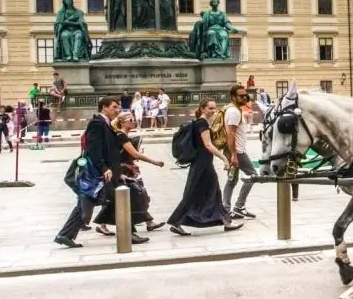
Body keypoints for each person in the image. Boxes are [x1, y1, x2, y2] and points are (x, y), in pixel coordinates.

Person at [167, 99, 243, 235]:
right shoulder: (202, 123)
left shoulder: (198, 122)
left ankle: (226, 221)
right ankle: (176, 221)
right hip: (203, 164)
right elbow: (208, 145)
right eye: (210, 108)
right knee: (199, 193)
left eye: (214, 108)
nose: (213, 111)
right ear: (202, 109)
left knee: (209, 192)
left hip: (200, 162)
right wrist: (225, 158)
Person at [55, 96, 122, 248]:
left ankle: (65, 234)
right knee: (93, 200)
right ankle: (65, 234)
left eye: (118, 107)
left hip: (105, 170)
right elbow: (94, 148)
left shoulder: (105, 123)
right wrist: (104, 168)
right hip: (98, 172)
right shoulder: (97, 124)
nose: (117, 110)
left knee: (88, 201)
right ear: (104, 107)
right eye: (114, 107)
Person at [93, 112, 165, 242]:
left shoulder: (122, 135)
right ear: (122, 122)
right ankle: (133, 229)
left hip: (127, 169)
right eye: (130, 119)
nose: (133, 121)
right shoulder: (121, 136)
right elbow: (135, 154)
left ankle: (147, 222)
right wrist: (155, 162)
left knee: (132, 197)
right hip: (124, 171)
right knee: (135, 197)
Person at [222, 85, 257, 220]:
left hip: (233, 151)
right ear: (233, 97)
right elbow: (231, 134)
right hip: (237, 152)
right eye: (241, 95)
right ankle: (238, 207)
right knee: (253, 175)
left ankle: (226, 209)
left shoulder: (231, 109)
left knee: (232, 180)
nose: (244, 97)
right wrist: (234, 155)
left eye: (245, 95)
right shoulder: (234, 112)